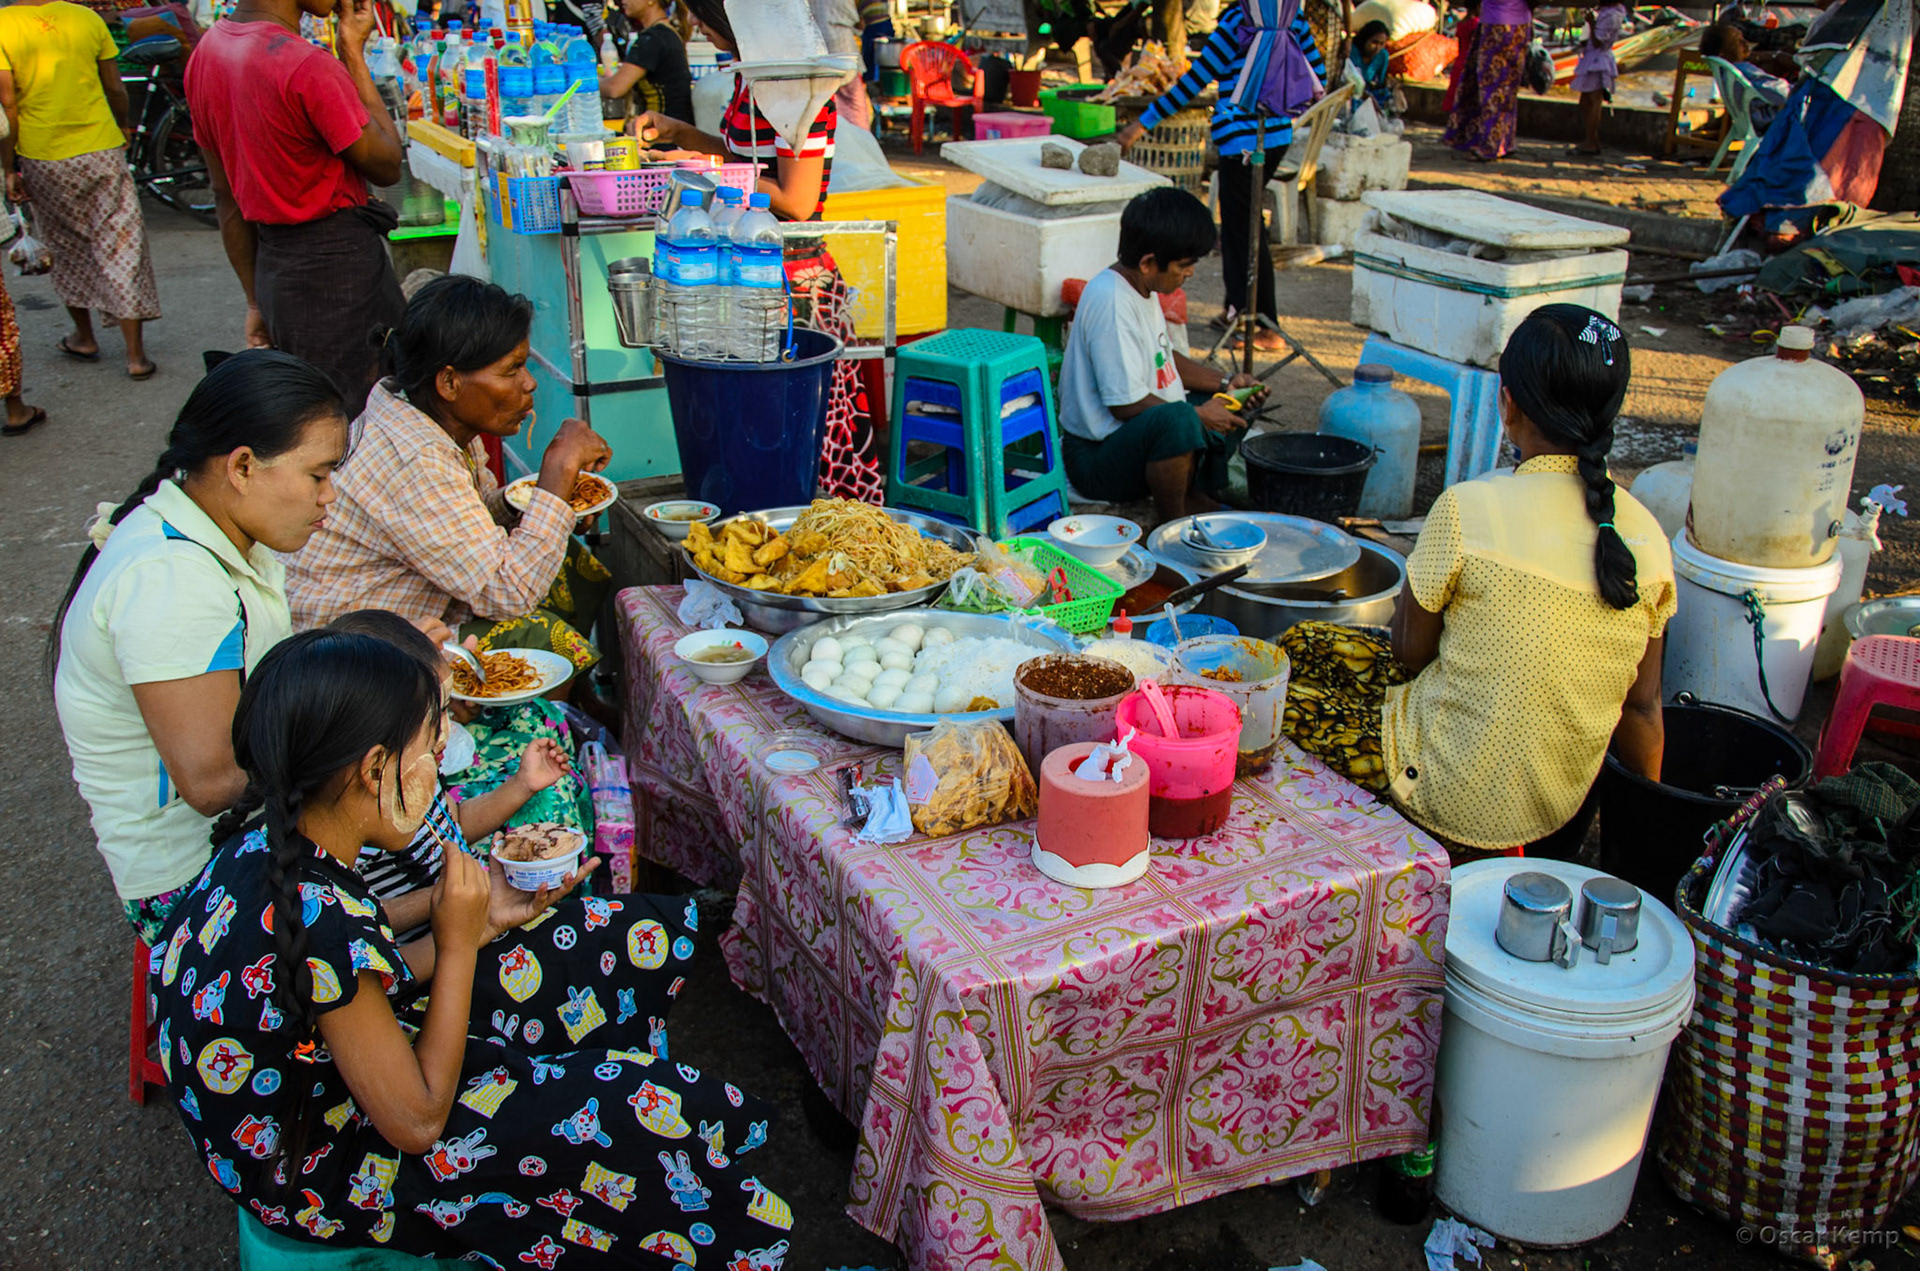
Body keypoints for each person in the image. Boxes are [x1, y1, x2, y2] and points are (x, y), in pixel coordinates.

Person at [157, 629, 794, 1265]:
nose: (438, 760)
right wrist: (459, 943)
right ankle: (701, 1209)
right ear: (374, 769)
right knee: (626, 1108)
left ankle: (620, 1093)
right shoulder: (318, 916)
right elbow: (417, 1124)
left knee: (605, 936)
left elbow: (361, 969)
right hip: (326, 1170)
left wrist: (478, 919)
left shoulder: (262, 847)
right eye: (428, 746)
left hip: (336, 1079)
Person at [1281, 304, 1672, 859]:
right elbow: (1643, 708)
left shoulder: (1469, 508)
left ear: (1507, 405)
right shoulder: (1648, 538)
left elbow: (1412, 653)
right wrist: (1647, 821)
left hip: (1445, 792)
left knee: (1278, 695)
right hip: (1559, 805)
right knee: (1305, 644)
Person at [51, 352, 349, 944]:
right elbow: (213, 784)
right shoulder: (172, 581)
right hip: (189, 878)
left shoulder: (211, 526)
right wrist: (355, 731)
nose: (330, 496)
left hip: (240, 838)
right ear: (241, 466)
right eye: (318, 475)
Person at [285, 276, 615, 682]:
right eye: (511, 370)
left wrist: (547, 503)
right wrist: (557, 476)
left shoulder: (429, 416)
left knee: (564, 564)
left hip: (409, 617)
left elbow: (466, 521)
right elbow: (510, 593)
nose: (529, 383)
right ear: (449, 383)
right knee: (538, 633)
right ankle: (543, 730)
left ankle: (577, 703)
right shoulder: (414, 459)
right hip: (350, 663)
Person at [636, 0, 885, 503]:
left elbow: (795, 199)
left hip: (792, 280)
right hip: (749, 268)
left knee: (803, 433)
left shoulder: (801, 93)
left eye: (702, 16)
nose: (698, 27)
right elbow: (748, 159)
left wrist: (706, 166)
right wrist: (682, 134)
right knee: (755, 426)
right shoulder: (756, 80)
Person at [187, 0, 407, 415]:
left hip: (278, 273)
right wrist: (353, 57)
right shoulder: (307, 66)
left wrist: (255, 301)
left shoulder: (208, 51)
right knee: (361, 418)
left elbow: (226, 198)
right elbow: (387, 163)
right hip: (338, 276)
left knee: (313, 416)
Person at [1116, 0, 1328, 352]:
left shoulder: (1237, 22)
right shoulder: (1293, 19)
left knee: (1246, 232)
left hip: (1242, 141)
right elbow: (1316, 71)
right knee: (1239, 226)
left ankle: (1264, 322)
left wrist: (1140, 124)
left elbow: (1194, 82)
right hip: (1275, 135)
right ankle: (1238, 310)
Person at [1058, 188, 1266, 526]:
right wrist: (1197, 415)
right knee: (1181, 420)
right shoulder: (1112, 302)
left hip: (1130, 441)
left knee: (1233, 403)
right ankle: (1172, 525)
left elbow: (1164, 358)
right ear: (1148, 262)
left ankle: (1191, 492)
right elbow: (1124, 405)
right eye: (1184, 265)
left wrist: (1227, 383)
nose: (1190, 273)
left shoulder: (1142, 285)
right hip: (1095, 459)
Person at [0, 0, 160, 379]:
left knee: (67, 247)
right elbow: (114, 87)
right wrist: (122, 126)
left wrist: (9, 168)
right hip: (101, 149)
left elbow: (8, 104)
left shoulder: (3, 24)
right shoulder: (87, 19)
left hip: (43, 154)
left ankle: (84, 337)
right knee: (122, 245)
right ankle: (135, 356)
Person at [1717, 0, 1901, 245]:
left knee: (1811, 169)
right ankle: (1787, 223)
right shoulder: (1837, 19)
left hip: (1840, 107)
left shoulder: (1867, 17)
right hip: (1822, 107)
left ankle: (1790, 223)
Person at [1442, 0, 1533, 161]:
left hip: (1496, 23)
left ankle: (1491, 145)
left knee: (1490, 87)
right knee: (1509, 87)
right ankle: (1506, 142)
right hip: (1520, 25)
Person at [597, 0, 691, 123]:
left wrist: (581, 83)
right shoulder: (665, 33)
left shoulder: (652, 39)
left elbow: (614, 88)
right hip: (668, 127)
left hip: (664, 133)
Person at [1699, 21, 1791, 136]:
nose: (1745, 43)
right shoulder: (1742, 70)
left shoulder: (1726, 73)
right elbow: (1782, 93)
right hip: (1772, 122)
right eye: (1738, 42)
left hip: (1752, 123)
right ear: (1723, 54)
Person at [1568, 3, 1626, 154]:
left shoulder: (1612, 15)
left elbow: (1598, 41)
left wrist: (1592, 23)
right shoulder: (1607, 11)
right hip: (1592, 58)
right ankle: (1590, 138)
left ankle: (1591, 141)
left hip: (1598, 60)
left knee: (1593, 102)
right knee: (1586, 102)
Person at [1349, 18, 1392, 115]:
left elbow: (1380, 83)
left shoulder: (1382, 55)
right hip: (1352, 91)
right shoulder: (1353, 52)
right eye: (1374, 42)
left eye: (1381, 44)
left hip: (1369, 90)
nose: (1377, 48)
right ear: (1365, 39)